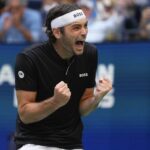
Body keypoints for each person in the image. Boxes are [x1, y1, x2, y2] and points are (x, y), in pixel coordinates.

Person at [14, 3, 112, 150]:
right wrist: (55, 102)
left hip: (72, 143)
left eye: (85, 26)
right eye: (76, 27)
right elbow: (25, 115)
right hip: (34, 143)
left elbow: (82, 109)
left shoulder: (90, 54)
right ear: (57, 33)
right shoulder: (29, 58)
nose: (84, 32)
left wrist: (97, 98)